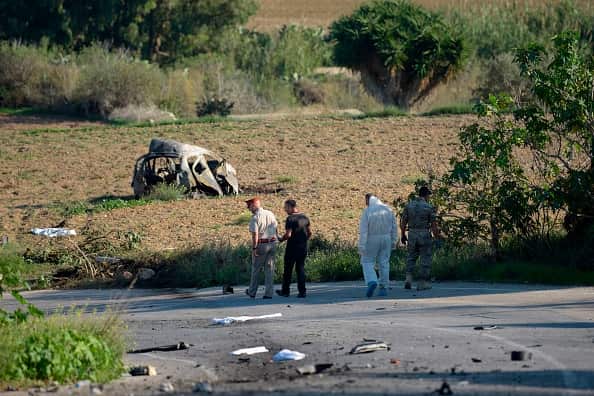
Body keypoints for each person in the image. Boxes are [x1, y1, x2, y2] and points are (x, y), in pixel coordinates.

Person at [400, 186, 441, 291]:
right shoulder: (429, 207)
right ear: (426, 195)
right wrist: (437, 238)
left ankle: (408, 278)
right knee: (425, 258)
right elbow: (434, 225)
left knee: (411, 257)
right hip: (424, 234)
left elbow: (403, 222)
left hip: (412, 233)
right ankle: (422, 283)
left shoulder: (409, 206)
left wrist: (403, 234)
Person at [358, 193, 397, 298]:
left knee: (367, 261)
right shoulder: (388, 209)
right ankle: (383, 288)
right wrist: (394, 241)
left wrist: (361, 246)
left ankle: (371, 281)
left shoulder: (367, 211)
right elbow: (394, 227)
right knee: (384, 263)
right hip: (386, 238)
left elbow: (363, 231)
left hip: (372, 239)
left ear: (368, 200)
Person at [276, 200, 312, 298]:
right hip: (303, 247)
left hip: (292, 247)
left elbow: (288, 234)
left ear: (291, 207)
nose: (285, 209)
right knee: (300, 269)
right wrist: (304, 240)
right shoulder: (305, 217)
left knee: (288, 269)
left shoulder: (290, 219)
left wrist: (281, 239)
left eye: (286, 207)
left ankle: (285, 291)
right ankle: (302, 291)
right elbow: (309, 233)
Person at [245, 197, 278, 299]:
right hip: (272, 243)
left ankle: (252, 291)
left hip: (261, 245)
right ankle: (268, 293)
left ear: (254, 205)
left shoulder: (255, 218)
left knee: (256, 269)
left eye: (249, 206)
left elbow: (255, 235)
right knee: (269, 269)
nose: (248, 208)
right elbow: (276, 227)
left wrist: (254, 248)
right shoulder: (270, 213)